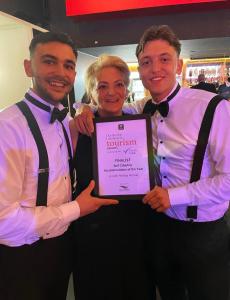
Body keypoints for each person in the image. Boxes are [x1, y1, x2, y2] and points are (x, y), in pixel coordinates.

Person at [74, 25, 230, 300]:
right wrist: (82, 109)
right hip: (156, 228)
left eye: (164, 59)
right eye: (146, 62)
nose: (155, 68)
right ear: (140, 70)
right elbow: (108, 105)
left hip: (203, 232)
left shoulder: (214, 107)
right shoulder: (140, 110)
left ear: (179, 64)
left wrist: (174, 196)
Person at [0, 32, 118, 300]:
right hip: (21, 256)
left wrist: (84, 112)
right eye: (49, 61)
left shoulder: (66, 123)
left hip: (62, 249)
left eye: (68, 65)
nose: (60, 72)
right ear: (28, 67)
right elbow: (3, 221)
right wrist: (77, 209)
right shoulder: (7, 127)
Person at [70, 54, 154, 300]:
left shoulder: (141, 124)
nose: (111, 92)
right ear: (92, 92)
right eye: (102, 86)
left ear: (126, 88)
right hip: (93, 235)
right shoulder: (77, 129)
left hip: (135, 230)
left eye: (118, 84)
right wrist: (82, 109)